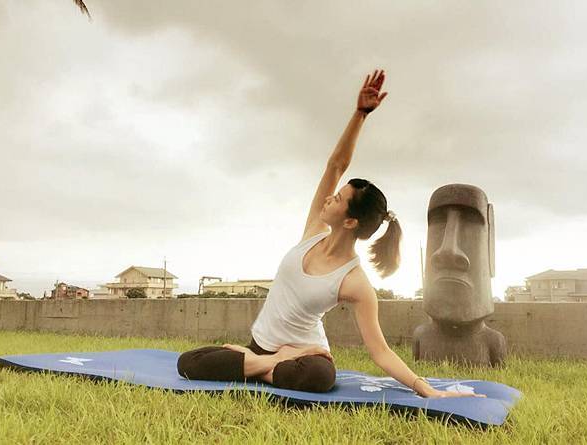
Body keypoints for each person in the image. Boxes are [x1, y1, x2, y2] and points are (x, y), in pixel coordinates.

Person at [177, 69, 487, 398]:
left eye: (338, 199)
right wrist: (360, 114)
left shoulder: (354, 282)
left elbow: (380, 351)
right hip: (264, 348)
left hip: (307, 357)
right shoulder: (314, 230)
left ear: (350, 221)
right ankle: (261, 364)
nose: (329, 197)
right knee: (188, 363)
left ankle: (253, 366)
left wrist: (428, 390)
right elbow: (336, 165)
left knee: (317, 377)